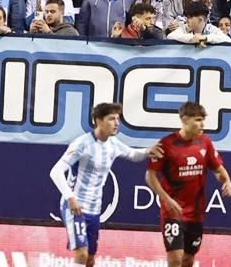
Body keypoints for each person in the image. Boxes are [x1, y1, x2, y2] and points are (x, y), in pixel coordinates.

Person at [50, 102, 163, 267]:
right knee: (81, 254)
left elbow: (132, 154)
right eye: (111, 119)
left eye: (118, 119)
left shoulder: (113, 144)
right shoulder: (81, 144)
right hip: (76, 208)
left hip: (95, 210)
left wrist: (147, 151)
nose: (117, 123)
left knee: (89, 259)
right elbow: (56, 172)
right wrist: (70, 198)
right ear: (98, 120)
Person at [145, 101, 231, 267]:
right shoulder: (167, 144)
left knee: (188, 260)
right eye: (198, 120)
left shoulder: (205, 142)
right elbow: (150, 176)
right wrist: (166, 199)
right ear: (185, 119)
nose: (202, 124)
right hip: (173, 212)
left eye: (203, 120)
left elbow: (218, 169)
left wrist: (227, 181)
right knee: (175, 259)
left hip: (196, 213)